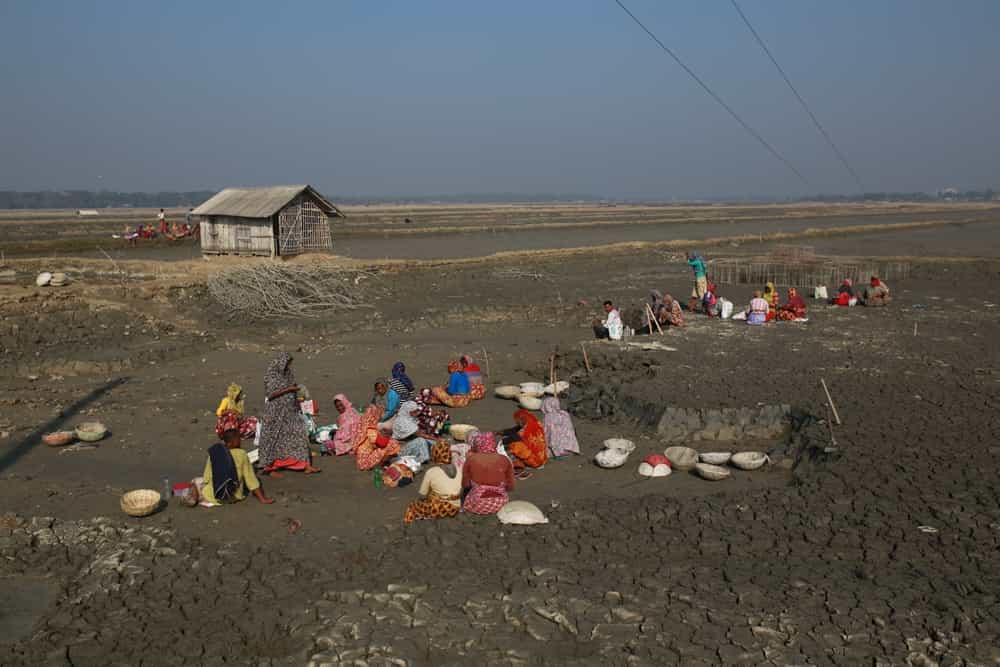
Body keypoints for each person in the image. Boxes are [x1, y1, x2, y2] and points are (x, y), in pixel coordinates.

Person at [258, 352, 320, 476]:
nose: (289, 365)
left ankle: (305, 465)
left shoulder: (288, 374)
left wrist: (295, 390)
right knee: (273, 440)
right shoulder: (272, 375)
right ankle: (270, 468)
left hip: (290, 413)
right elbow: (271, 394)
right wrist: (289, 390)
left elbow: (292, 386)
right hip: (275, 413)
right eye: (287, 362)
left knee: (298, 435)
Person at [195, 423, 273, 506]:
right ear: (231, 443)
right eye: (238, 439)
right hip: (234, 496)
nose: (240, 441)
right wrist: (262, 499)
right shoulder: (242, 454)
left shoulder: (216, 452)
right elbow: (251, 479)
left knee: (196, 481)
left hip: (213, 495)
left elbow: (207, 478)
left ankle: (194, 496)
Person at [403, 441, 462, 524]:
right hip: (457, 505)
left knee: (413, 506)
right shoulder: (458, 469)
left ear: (435, 454)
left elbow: (422, 495)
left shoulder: (432, 472)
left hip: (445, 508)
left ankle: (409, 524)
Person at [462, 431, 515, 515]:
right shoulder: (505, 459)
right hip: (501, 504)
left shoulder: (471, 459)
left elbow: (465, 485)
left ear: (478, 444)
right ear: (493, 444)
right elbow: (511, 487)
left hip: (479, 504)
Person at [503, 409, 547, 475]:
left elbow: (514, 437)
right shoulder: (536, 423)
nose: (517, 422)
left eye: (517, 420)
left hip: (535, 461)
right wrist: (500, 432)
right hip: (542, 458)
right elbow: (514, 430)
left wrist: (501, 443)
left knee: (514, 446)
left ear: (521, 419)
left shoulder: (526, 429)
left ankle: (516, 466)